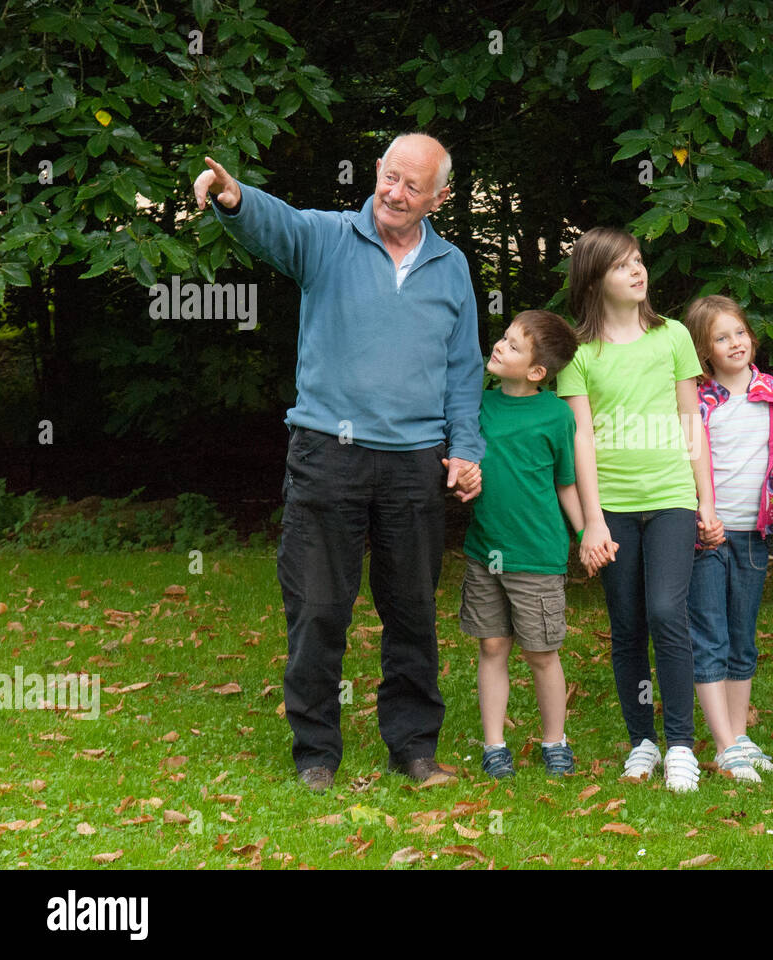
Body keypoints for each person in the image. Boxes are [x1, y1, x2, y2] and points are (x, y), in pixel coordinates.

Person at [193, 134, 484, 792]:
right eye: (389, 176)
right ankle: (316, 753)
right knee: (320, 607)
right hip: (329, 453)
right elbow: (277, 227)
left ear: (440, 197)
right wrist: (236, 199)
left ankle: (413, 749)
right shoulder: (329, 238)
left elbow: (464, 369)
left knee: (410, 609)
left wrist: (466, 446)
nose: (395, 192)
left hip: (414, 461)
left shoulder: (453, 267)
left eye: (413, 185)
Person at [556, 227, 723, 793]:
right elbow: (581, 435)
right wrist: (593, 520)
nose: (637, 271)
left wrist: (705, 498)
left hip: (672, 498)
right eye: (622, 265)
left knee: (665, 612)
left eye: (639, 261)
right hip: (614, 509)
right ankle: (642, 743)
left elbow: (690, 418)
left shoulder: (672, 335)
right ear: (594, 278)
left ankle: (681, 745)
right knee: (626, 625)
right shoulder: (577, 352)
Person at [684, 295, 773, 783]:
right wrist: (699, 512)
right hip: (707, 538)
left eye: (739, 332)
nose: (734, 343)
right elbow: (680, 464)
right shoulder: (695, 401)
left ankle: (737, 737)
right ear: (704, 350)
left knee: (742, 639)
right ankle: (723, 743)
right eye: (721, 338)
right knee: (710, 635)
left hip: (755, 536)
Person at [460, 310, 585, 779]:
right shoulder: (478, 404)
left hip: (537, 555)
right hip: (484, 550)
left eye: (514, 346)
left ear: (537, 371)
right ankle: (495, 746)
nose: (500, 346)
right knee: (492, 645)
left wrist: (585, 532)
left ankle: (556, 740)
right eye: (505, 337)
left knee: (540, 653)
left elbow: (565, 484)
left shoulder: (556, 416)